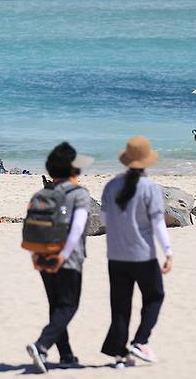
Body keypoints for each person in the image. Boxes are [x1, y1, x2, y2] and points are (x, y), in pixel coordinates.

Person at [100, 136, 173, 368]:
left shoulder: (111, 186)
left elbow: (104, 219)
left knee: (120, 305)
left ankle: (120, 356)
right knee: (155, 297)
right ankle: (140, 342)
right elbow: (158, 223)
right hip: (142, 255)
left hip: (116, 255)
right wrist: (168, 252)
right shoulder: (150, 188)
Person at [26, 142, 93, 374]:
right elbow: (76, 229)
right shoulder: (79, 194)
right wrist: (63, 256)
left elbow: (34, 227)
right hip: (68, 259)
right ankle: (42, 345)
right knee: (69, 306)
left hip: (43, 256)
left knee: (56, 306)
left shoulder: (42, 194)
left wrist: (36, 255)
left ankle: (65, 355)